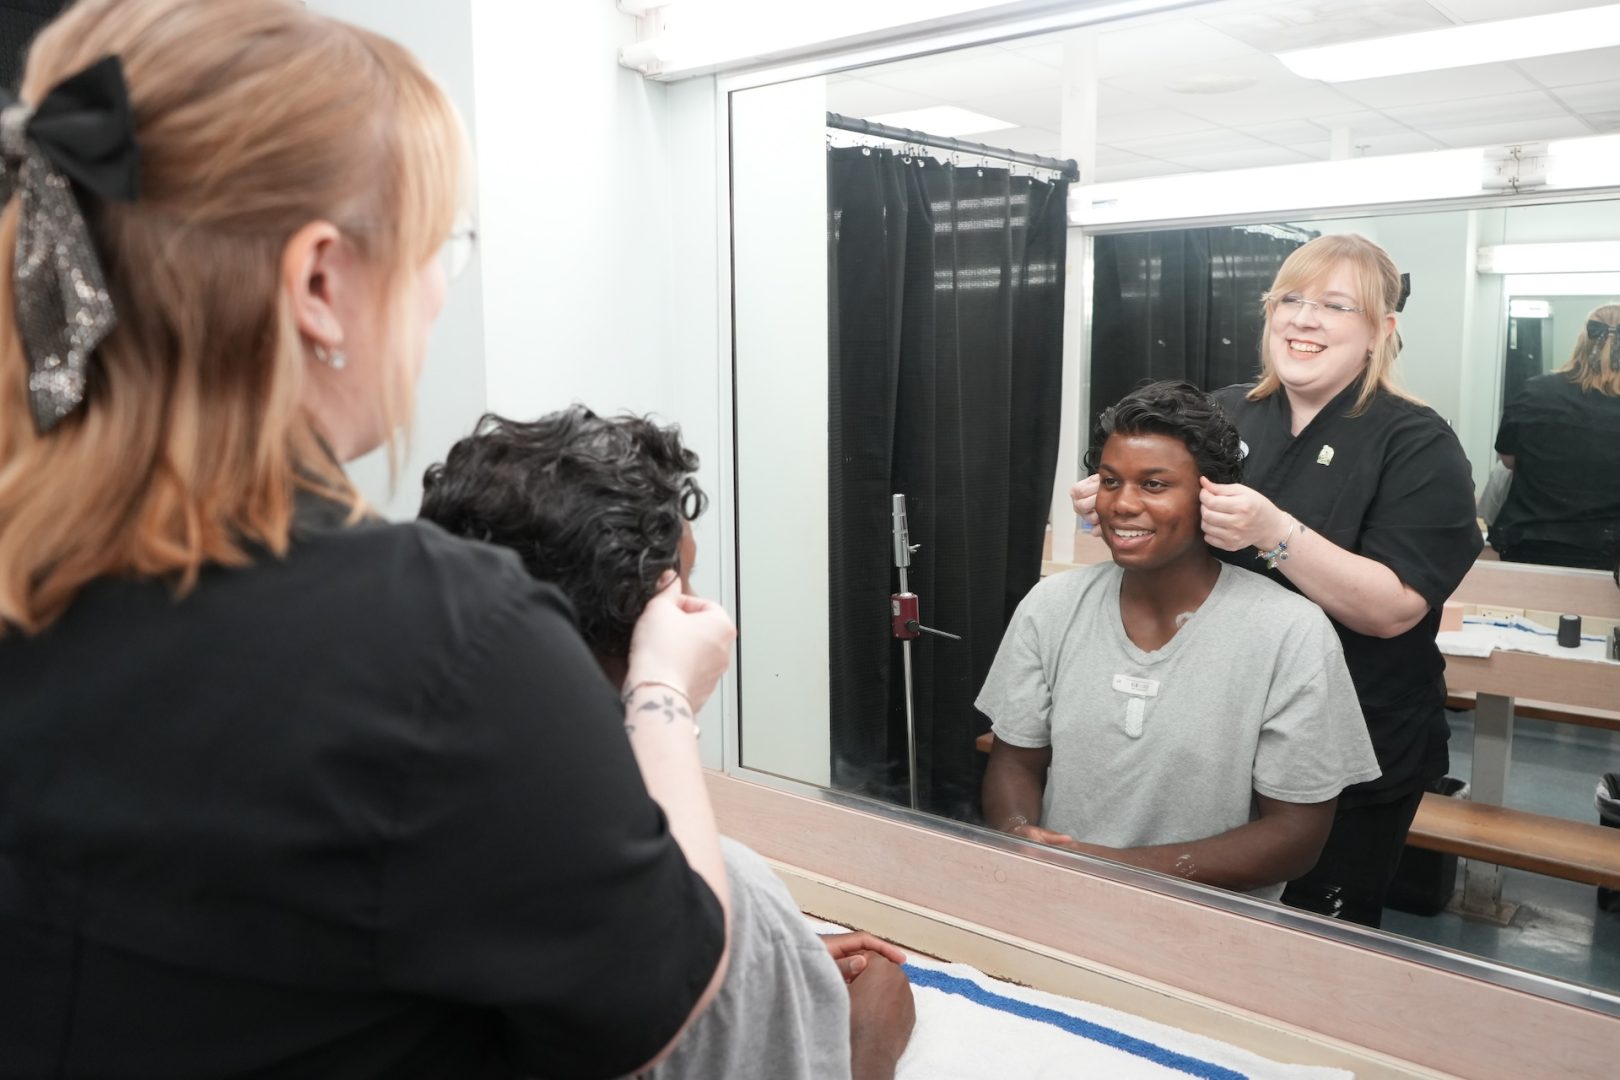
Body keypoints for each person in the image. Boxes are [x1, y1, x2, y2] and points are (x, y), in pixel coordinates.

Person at [0, 2, 736, 1077]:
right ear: (318, 283)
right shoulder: (447, 647)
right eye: (441, 249)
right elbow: (664, 980)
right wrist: (662, 696)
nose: (440, 292)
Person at [419, 407, 917, 1080]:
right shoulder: (712, 902)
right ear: (657, 623)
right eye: (688, 583)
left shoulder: (398, 813)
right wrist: (859, 1031)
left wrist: (777, 961)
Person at [1074, 235, 1482, 928]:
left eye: (1334, 305)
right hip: (1210, 726)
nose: (1304, 319)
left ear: (1382, 329)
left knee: (1306, 945)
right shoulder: (1221, 414)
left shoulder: (1415, 444)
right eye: (1290, 300)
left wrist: (1275, 533)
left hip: (1352, 739)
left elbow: (1391, 610)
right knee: (1186, 924)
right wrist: (1117, 501)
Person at [980, 382, 1379, 900]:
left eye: (1154, 485)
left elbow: (1296, 836)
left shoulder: (1288, 631)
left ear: (1210, 496)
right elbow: (1014, 761)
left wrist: (1112, 867)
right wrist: (1020, 836)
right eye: (1109, 480)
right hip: (1059, 897)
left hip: (1210, 931)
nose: (1121, 504)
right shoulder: (1051, 607)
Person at [1489, 303, 1620, 570]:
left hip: (1529, 543)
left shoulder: (1535, 391)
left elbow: (1508, 460)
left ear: (1583, 340)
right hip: (1608, 552)